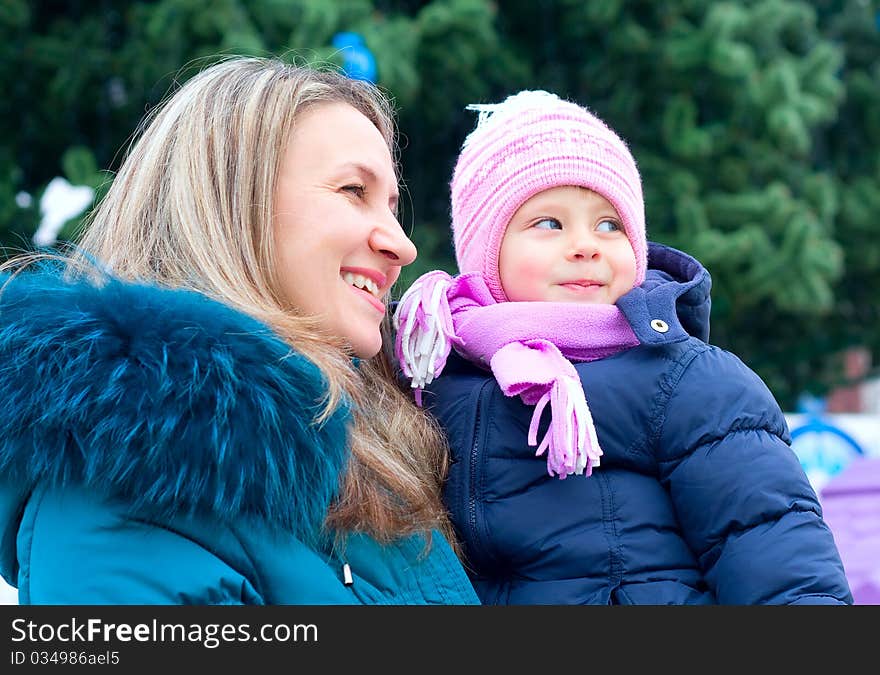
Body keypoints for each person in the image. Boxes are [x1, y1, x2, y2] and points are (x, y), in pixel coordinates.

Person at [0, 56, 479, 605]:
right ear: (229, 206)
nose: (404, 245)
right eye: (353, 190)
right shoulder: (127, 487)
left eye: (393, 207)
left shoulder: (356, 452)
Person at [393, 90, 853, 604]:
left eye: (609, 224)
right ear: (485, 251)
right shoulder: (431, 374)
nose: (586, 244)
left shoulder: (688, 381)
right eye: (550, 223)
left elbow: (778, 563)